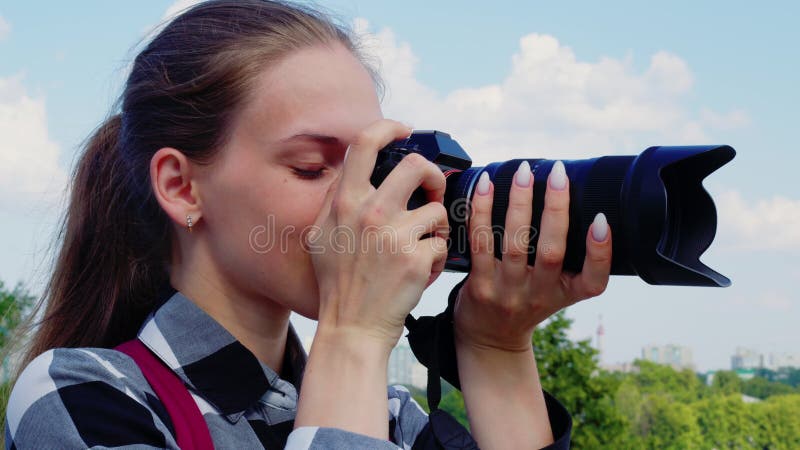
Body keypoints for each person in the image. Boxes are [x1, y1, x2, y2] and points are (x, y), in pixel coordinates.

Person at [4, 1, 612, 448]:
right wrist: (351, 333)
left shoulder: (391, 415)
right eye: (313, 167)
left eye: (375, 169)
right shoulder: (85, 398)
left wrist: (494, 345)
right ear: (181, 186)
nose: (363, 203)